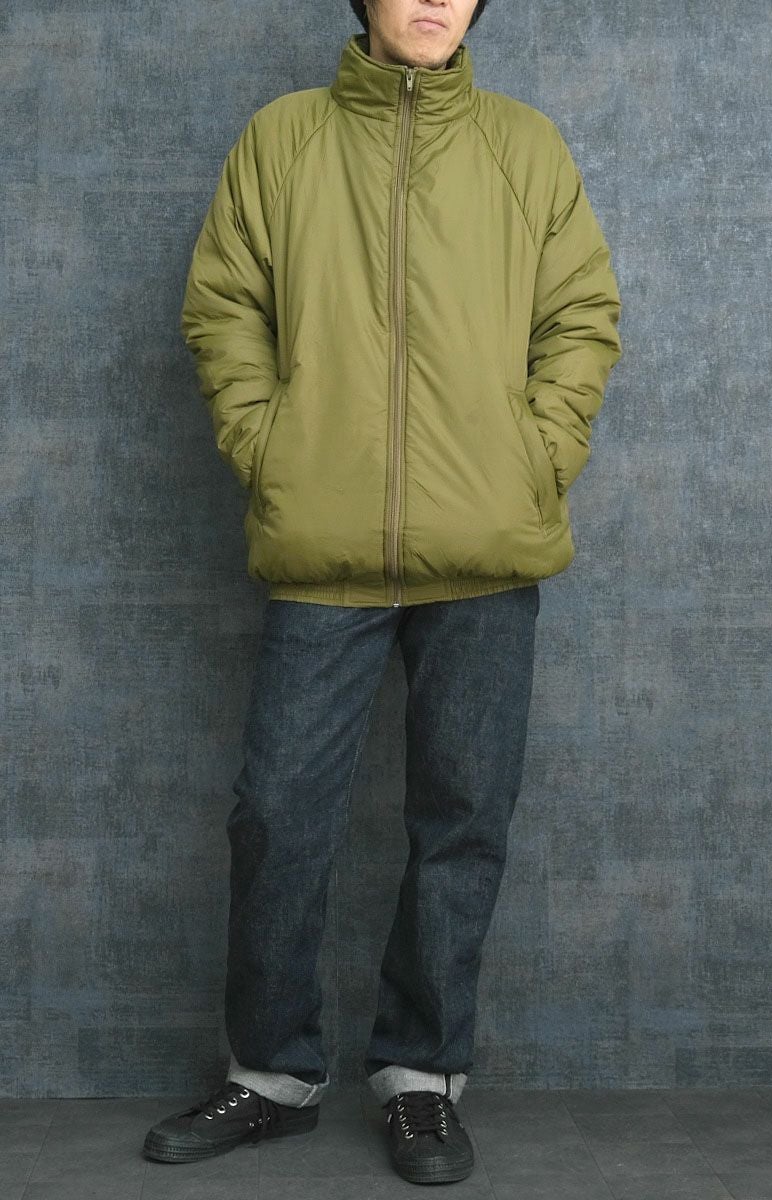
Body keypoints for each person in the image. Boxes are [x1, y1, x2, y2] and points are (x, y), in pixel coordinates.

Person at [143, 0, 622, 1184]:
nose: (434, 0)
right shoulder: (282, 139)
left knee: (462, 819)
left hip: (487, 547)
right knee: (275, 814)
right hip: (325, 544)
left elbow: (579, 314)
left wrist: (533, 456)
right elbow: (222, 307)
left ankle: (420, 1077)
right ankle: (272, 1074)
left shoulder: (523, 146)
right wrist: (274, 450)